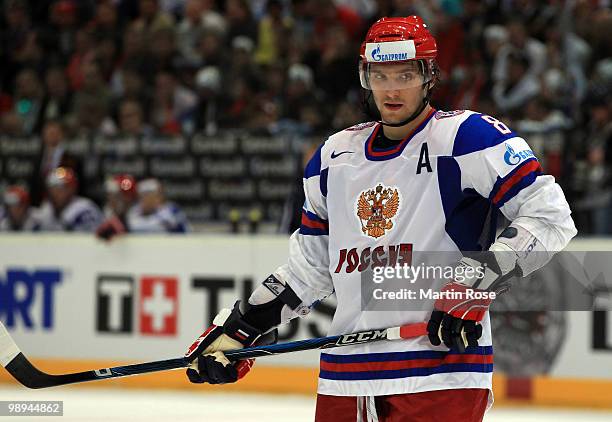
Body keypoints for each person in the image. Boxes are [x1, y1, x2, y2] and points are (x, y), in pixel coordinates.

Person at [183, 16, 577, 422]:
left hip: (440, 370)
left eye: (405, 74)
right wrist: (244, 325)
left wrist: (476, 285)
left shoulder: (467, 139)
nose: (392, 88)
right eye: (380, 75)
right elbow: (312, 269)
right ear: (364, 76)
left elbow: (550, 218)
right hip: (347, 376)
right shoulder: (333, 157)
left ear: (429, 75)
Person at [37, 167, 103, 232]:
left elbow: (89, 239)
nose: (55, 192)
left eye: (60, 188)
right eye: (52, 188)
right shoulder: (46, 208)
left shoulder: (85, 210)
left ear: (72, 189)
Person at [96, 174, 138, 241]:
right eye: (109, 195)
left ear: (127, 198)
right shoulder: (107, 212)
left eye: (115, 196)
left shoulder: (138, 216)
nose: (110, 199)